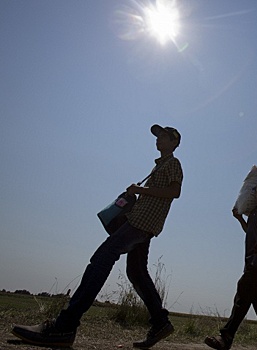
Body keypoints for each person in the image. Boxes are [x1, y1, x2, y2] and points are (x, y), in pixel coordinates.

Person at [12, 124, 183, 349]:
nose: (158, 139)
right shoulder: (159, 166)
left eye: (163, 136)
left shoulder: (173, 163)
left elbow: (174, 192)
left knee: (102, 257)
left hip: (141, 224)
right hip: (141, 223)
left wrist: (140, 191)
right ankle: (160, 322)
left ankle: (64, 326)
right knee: (137, 272)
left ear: (174, 143)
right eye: (157, 136)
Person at [205, 181, 257, 350]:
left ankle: (226, 336)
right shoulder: (254, 212)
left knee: (243, 289)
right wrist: (240, 218)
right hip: (249, 258)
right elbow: (250, 231)